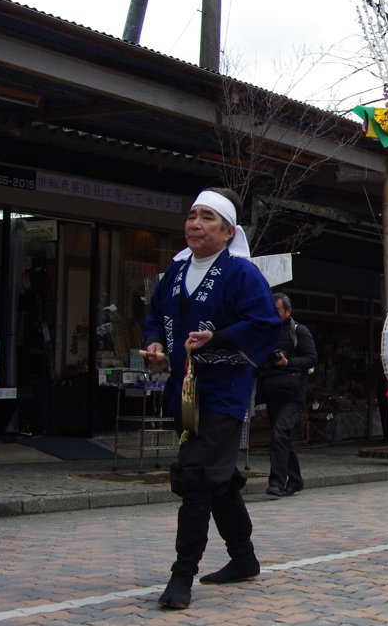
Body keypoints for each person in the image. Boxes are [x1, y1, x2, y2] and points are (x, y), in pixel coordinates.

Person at [144, 188, 281, 609]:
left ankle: (182, 575)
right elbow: (153, 315)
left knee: (196, 474)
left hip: (224, 389)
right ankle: (243, 557)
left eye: (207, 218)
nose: (195, 224)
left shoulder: (242, 273)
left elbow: (265, 324)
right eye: (192, 216)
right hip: (184, 389)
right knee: (216, 476)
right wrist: (153, 343)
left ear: (227, 232)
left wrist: (218, 337)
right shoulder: (174, 272)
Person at [258, 292, 317, 497]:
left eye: (277, 311)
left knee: (280, 433)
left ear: (288, 311)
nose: (273, 315)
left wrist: (288, 362)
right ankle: (296, 480)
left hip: (292, 392)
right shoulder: (266, 332)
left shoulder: (298, 331)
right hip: (272, 389)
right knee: (282, 436)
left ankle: (277, 482)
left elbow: (311, 359)